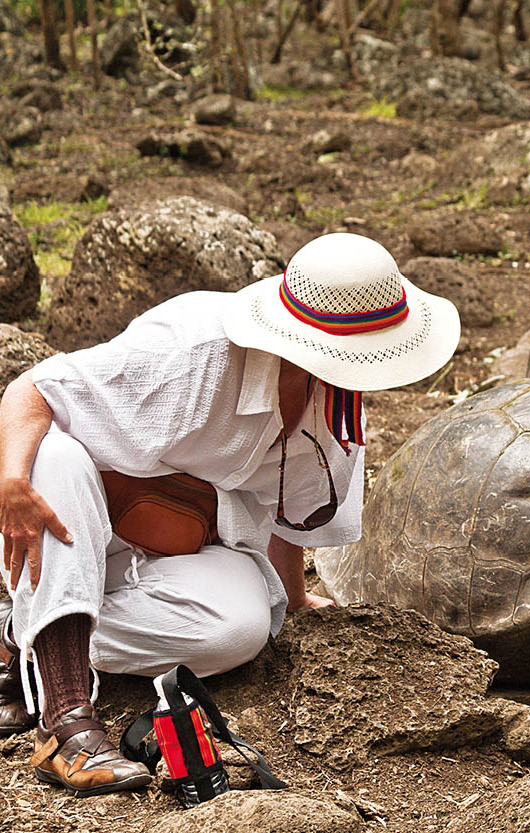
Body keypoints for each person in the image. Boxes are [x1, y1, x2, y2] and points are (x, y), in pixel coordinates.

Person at [0, 232, 460, 796]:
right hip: (60, 530)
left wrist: (293, 600)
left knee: (240, 629)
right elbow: (31, 392)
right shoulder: (190, 352)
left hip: (171, 558)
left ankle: (20, 635)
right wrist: (13, 483)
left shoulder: (338, 417)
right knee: (56, 455)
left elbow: (293, 515)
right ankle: (64, 717)